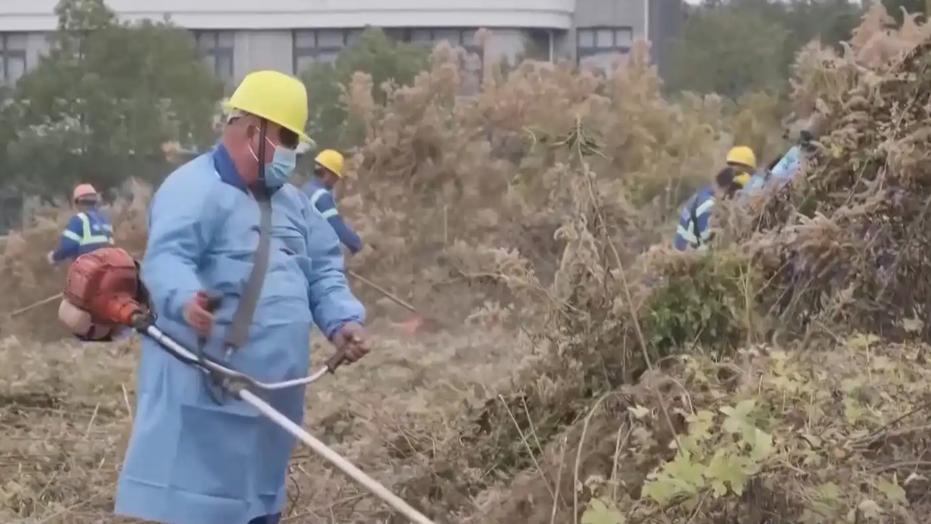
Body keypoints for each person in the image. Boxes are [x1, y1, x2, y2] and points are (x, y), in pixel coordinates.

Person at [60, 70, 371, 524]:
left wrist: (343, 320)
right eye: (285, 139)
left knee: (258, 503)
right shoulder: (192, 189)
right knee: (200, 504)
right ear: (252, 130)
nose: (290, 153)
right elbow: (168, 258)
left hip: (273, 397)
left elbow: (323, 268)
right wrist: (186, 300)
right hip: (206, 389)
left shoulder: (294, 204)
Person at [673, 165, 751, 251]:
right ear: (729, 189)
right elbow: (708, 241)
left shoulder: (702, 194)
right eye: (736, 192)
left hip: (680, 246)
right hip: (689, 253)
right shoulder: (710, 207)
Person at [301, 149, 363, 254]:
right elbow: (337, 227)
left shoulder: (305, 188)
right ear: (328, 173)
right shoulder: (321, 196)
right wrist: (357, 244)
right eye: (336, 176)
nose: (336, 181)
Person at [47, 184, 114, 265]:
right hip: (106, 270)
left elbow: (67, 247)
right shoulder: (105, 220)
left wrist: (54, 257)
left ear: (77, 203)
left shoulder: (79, 219)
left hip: (88, 271)